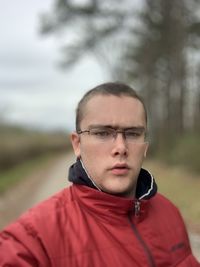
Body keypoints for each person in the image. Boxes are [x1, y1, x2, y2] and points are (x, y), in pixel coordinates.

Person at [0, 82, 199, 266]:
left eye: (132, 133)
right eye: (103, 133)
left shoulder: (169, 212)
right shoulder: (33, 239)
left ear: (145, 146)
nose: (120, 147)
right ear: (77, 144)